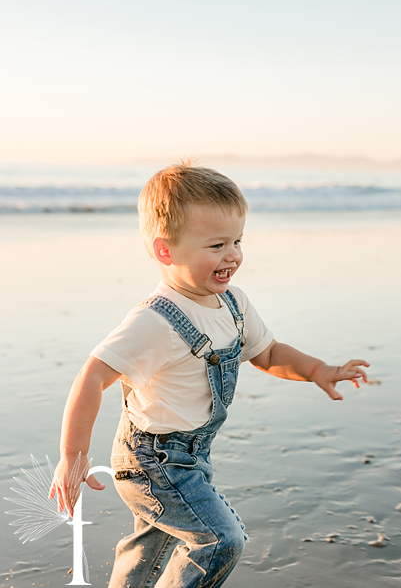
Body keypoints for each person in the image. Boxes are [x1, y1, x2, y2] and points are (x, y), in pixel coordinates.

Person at [49, 161, 370, 587]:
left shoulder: (233, 303)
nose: (233, 254)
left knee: (152, 544)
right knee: (220, 540)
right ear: (166, 250)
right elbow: (91, 376)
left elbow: (268, 352)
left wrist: (318, 370)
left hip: (192, 454)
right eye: (217, 245)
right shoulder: (154, 322)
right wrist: (73, 456)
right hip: (152, 460)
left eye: (238, 240)